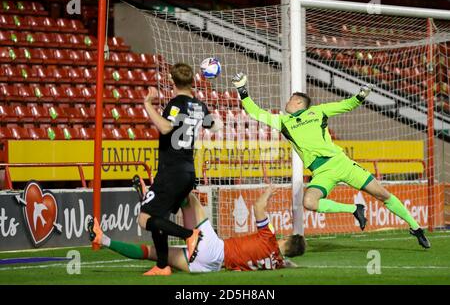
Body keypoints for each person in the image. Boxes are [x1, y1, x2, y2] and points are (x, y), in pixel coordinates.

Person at [231, 72, 430, 249]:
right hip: (322, 172)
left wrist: (360, 96)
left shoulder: (318, 111)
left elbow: (345, 105)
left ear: (299, 102)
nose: (287, 102)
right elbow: (255, 113)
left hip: (341, 163)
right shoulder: (283, 121)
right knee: (309, 202)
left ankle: (415, 227)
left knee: (382, 194)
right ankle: (354, 209)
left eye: (291, 99)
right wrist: (242, 89)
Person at [126, 62, 221, 276]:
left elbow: (165, 127)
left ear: (171, 80)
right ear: (193, 81)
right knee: (160, 218)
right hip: (188, 171)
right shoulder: (199, 105)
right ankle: (162, 266)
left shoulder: (175, 104)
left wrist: (148, 104)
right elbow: (214, 126)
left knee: (144, 218)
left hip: (172, 171)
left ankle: (189, 234)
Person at [87, 185, 305, 273]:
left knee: (189, 197)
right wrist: (290, 261)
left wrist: (267, 193)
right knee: (152, 253)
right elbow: (288, 262)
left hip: (214, 247)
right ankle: (102, 239)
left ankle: (152, 199)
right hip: (207, 266)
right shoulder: (277, 263)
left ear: (285, 238)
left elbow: (258, 207)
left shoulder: (269, 239)